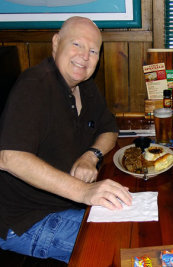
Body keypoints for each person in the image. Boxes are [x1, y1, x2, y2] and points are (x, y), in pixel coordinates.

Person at [0, 16, 132, 263]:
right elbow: (9, 158)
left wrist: (90, 155)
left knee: (134, 222)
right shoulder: (34, 85)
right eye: (77, 44)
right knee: (125, 243)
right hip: (24, 221)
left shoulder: (85, 86)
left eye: (93, 50)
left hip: (62, 207)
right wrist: (84, 191)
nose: (85, 56)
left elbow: (109, 129)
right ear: (56, 43)